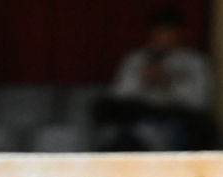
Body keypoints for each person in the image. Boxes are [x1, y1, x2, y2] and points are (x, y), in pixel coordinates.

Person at [92, 5, 215, 151]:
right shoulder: (136, 59)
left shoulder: (194, 62)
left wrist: (168, 82)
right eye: (160, 32)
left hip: (177, 116)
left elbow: (199, 101)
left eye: (169, 32)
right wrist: (142, 78)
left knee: (201, 125)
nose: (164, 38)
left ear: (180, 33)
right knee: (105, 109)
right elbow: (119, 94)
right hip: (139, 113)